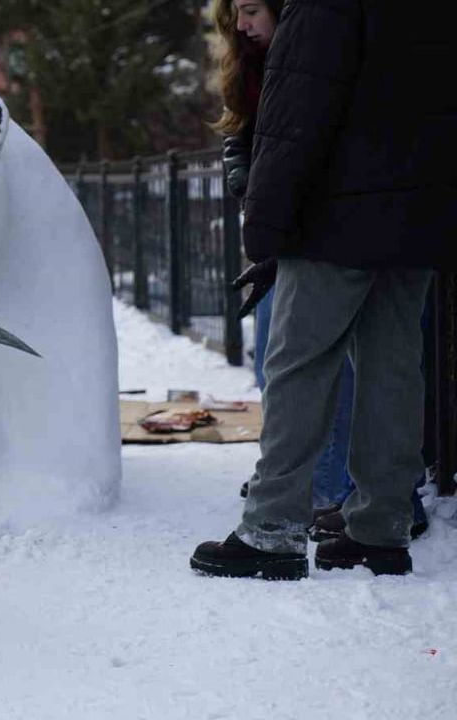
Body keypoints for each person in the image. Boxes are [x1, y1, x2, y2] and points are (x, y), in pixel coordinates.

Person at [191, 0, 456, 579]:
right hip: (418, 216)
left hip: (336, 220)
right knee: (393, 368)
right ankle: (381, 529)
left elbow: (295, 117)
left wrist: (263, 228)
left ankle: (271, 530)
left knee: (297, 366)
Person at [211, 0, 355, 511]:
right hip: (280, 225)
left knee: (320, 364)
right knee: (274, 360)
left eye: (251, 11)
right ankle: (293, 472)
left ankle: (327, 484)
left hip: (314, 229)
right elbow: (243, 132)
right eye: (236, 15)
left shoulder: (314, 52)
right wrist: (240, 171)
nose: (243, 25)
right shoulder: (252, 65)